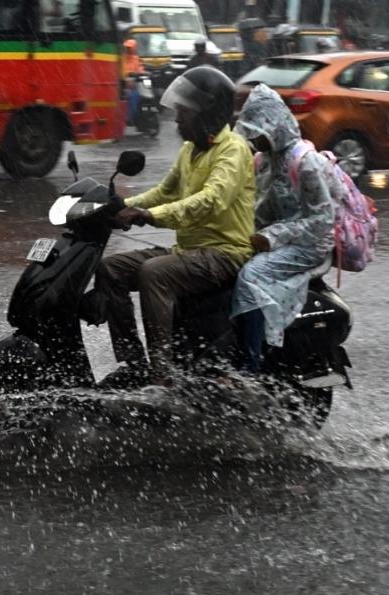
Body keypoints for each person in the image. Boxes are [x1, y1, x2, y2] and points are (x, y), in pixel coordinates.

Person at [97, 66, 256, 387]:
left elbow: (211, 200)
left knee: (155, 272)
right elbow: (163, 192)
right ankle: (133, 363)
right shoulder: (189, 150)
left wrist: (148, 216)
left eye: (185, 111)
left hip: (225, 253)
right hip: (189, 251)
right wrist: (120, 208)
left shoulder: (233, 150)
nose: (178, 119)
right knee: (110, 269)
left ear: (209, 113)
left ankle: (162, 374)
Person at [230, 84, 345, 374]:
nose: (255, 139)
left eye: (259, 132)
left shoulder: (306, 164)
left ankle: (250, 363)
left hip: (311, 245)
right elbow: (256, 207)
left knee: (251, 276)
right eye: (252, 133)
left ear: (275, 126)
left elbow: (322, 220)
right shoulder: (264, 161)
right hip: (274, 239)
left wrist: (272, 236)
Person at [122, 38, 146, 127]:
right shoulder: (122, 59)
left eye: (130, 47)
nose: (128, 49)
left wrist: (143, 73)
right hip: (124, 84)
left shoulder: (136, 59)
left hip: (135, 83)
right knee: (132, 95)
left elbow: (140, 69)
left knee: (140, 94)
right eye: (127, 47)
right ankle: (129, 117)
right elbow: (122, 71)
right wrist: (127, 75)